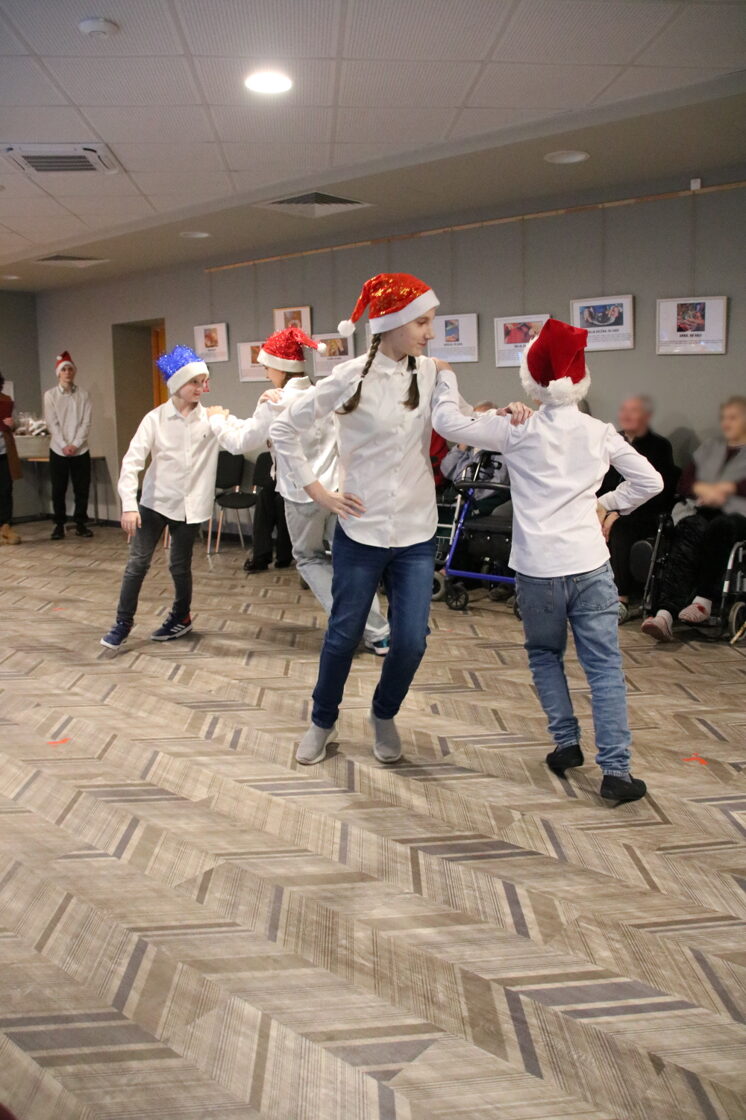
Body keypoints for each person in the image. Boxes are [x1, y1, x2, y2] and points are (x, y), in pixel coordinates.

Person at [270, 272, 527, 767]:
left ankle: (383, 714)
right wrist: (318, 492)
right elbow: (284, 430)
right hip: (361, 532)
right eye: (422, 322)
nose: (431, 332)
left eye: (431, 322)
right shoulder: (348, 378)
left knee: (410, 641)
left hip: (415, 532)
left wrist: (507, 415)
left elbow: (463, 423)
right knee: (343, 635)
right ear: (391, 323)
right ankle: (322, 720)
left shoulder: (431, 373)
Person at [432, 318, 663, 804]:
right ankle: (616, 772)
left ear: (532, 383)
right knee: (604, 669)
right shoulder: (600, 432)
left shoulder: (516, 427)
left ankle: (566, 744)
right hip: (589, 564)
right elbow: (651, 482)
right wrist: (607, 504)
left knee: (544, 656)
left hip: (537, 570)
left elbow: (447, 424)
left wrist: (446, 375)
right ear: (580, 382)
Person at [212, 326, 391, 654]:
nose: (265, 374)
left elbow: (239, 442)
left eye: (267, 367)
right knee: (350, 562)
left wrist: (216, 421)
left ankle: (358, 626)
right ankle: (379, 633)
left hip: (303, 494)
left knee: (308, 559)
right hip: (338, 490)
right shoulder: (325, 392)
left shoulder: (276, 402)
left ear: (279, 367)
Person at [101, 345, 274, 650]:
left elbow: (245, 436)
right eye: (194, 381)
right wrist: (128, 505)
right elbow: (132, 462)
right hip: (155, 503)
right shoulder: (155, 419)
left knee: (179, 566)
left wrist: (264, 407)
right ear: (178, 383)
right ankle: (123, 623)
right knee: (137, 564)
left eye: (203, 381)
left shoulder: (212, 418)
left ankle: (181, 617)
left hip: (191, 507)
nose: (201, 387)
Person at [641, 395, 746, 641]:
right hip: (702, 509)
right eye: (725, 418)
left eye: (733, 418)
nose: (727, 423)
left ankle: (703, 601)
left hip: (737, 514)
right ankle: (665, 614)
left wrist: (724, 492)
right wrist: (703, 492)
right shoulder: (710, 448)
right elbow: (685, 482)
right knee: (689, 528)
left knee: (720, 527)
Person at [598, 395, 677, 622]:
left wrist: (616, 512)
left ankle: (620, 599)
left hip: (644, 513)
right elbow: (602, 483)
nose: (626, 415)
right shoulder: (611, 441)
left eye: (633, 410)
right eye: (624, 409)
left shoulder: (659, 446)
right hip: (608, 506)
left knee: (620, 528)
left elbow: (657, 492)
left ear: (647, 416)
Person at [43, 350, 93, 540]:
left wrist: (76, 444)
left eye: (70, 369)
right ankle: (59, 525)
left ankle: (81, 523)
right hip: (58, 449)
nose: (67, 373)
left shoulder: (84, 395)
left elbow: (86, 422)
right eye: (64, 370)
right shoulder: (50, 395)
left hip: (81, 450)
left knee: (82, 488)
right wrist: (64, 445)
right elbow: (52, 423)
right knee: (58, 489)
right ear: (58, 373)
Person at [0, 371, 22, 545]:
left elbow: (16, 423)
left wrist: (12, 424)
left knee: (6, 489)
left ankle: (6, 526)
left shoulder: (5, 399)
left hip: (4, 452)